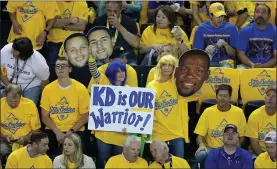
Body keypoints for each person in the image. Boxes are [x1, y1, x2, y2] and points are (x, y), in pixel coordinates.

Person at [40, 57, 90, 159]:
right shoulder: (48, 89)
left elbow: (86, 115)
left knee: (75, 157)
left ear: (70, 69)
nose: (60, 68)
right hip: (53, 130)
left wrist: (71, 131)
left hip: (75, 130)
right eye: (57, 66)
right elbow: (44, 116)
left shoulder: (80, 88)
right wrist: (57, 132)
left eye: (63, 66)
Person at [194, 84, 247, 168]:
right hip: (211, 149)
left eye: (225, 96)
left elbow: (242, 137)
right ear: (216, 97)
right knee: (200, 155)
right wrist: (201, 145)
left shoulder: (239, 112)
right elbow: (199, 136)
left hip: (231, 148)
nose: (222, 98)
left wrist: (237, 145)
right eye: (220, 95)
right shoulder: (208, 112)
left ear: (230, 98)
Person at [147, 55, 186, 158]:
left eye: (170, 65)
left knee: (178, 164)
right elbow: (146, 109)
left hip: (176, 133)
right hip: (158, 132)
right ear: (160, 66)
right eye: (164, 65)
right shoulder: (151, 85)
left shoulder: (178, 84)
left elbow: (198, 93)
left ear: (174, 68)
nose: (167, 68)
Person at [87, 1, 139, 65]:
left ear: (121, 10)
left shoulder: (130, 22)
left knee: (133, 66)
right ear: (106, 9)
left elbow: (136, 44)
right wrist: (106, 59)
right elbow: (93, 44)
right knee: (97, 66)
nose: (111, 14)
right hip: (103, 58)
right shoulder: (99, 22)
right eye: (109, 10)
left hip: (126, 58)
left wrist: (118, 26)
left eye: (115, 11)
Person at [0, 37, 49, 104]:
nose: (11, 51)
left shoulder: (39, 61)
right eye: (13, 48)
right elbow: (1, 71)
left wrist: (43, 97)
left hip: (29, 86)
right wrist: (9, 87)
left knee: (28, 106)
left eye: (14, 51)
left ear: (23, 55)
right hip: (7, 82)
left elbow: (45, 80)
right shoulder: (6, 50)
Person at [0, 84, 41, 158]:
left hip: (26, 142)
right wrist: (4, 137)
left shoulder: (30, 105)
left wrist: (26, 138)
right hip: (3, 141)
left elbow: (36, 130)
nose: (13, 104)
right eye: (10, 101)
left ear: (20, 97)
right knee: (3, 150)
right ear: (5, 96)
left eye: (16, 101)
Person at [193, 2, 238, 68]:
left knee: (226, 66)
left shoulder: (231, 28)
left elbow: (235, 54)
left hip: (227, 63)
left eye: (222, 16)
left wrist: (226, 45)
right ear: (210, 16)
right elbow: (196, 55)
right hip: (208, 63)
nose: (220, 19)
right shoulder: (201, 29)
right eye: (217, 16)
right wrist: (206, 51)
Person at [46, 1, 88, 65]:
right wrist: (69, 20)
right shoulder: (53, 2)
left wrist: (63, 26)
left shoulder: (81, 2)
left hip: (75, 42)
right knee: (53, 71)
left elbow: (81, 26)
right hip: (54, 42)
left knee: (75, 70)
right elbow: (50, 23)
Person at [237, 3, 277, 69]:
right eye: (257, 12)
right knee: (239, 69)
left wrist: (263, 66)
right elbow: (241, 54)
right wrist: (252, 65)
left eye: (263, 12)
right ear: (254, 15)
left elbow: (276, 57)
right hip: (248, 65)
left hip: (270, 66)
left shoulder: (275, 31)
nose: (260, 15)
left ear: (269, 16)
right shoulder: (244, 31)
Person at [245, 87, 276, 158]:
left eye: (273, 96)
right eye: (268, 95)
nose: (269, 98)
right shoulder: (255, 115)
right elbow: (254, 142)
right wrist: (265, 158)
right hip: (258, 153)